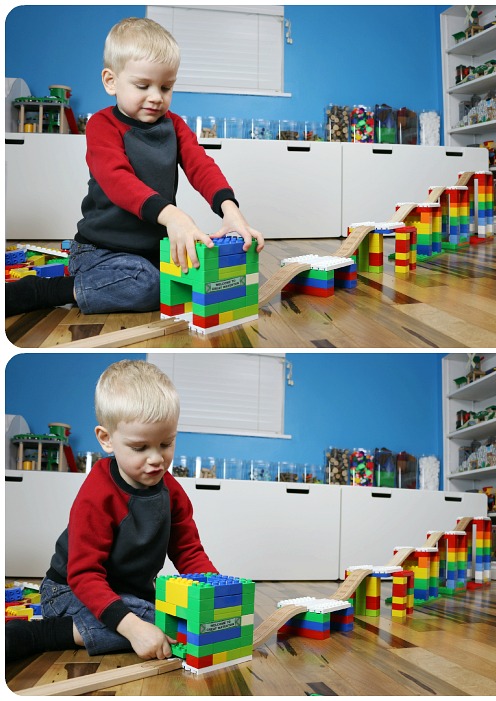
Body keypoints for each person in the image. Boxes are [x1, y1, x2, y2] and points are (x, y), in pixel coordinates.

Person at [6, 17, 264, 317]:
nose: (156, 97)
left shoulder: (175, 126)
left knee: (195, 274)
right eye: (143, 85)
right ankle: (50, 291)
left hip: (154, 251)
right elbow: (117, 180)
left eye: (166, 87)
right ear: (111, 81)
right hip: (100, 251)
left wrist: (230, 209)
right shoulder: (102, 125)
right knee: (148, 286)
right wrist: (173, 216)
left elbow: (201, 166)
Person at [5, 359, 218, 662]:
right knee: (159, 624)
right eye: (140, 447)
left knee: (181, 617)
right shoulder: (98, 494)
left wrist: (218, 598)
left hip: (129, 594)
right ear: (106, 439)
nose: (156, 459)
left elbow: (188, 552)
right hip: (69, 591)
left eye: (166, 443)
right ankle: (42, 634)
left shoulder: (172, 493)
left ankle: (131, 619)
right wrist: (133, 628)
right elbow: (84, 575)